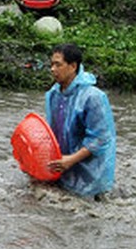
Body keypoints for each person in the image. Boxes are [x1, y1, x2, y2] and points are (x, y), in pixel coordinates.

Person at [43, 43, 116, 196]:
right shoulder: (53, 94)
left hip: (90, 172)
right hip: (63, 165)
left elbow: (100, 139)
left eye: (58, 65)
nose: (52, 69)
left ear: (73, 66)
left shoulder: (93, 97)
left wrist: (71, 160)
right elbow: (52, 131)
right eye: (51, 65)